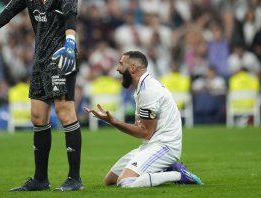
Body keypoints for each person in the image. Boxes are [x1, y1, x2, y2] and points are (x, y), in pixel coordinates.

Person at [0, 0, 83, 192]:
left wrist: (70, 43)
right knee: (37, 117)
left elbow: (71, 16)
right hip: (40, 59)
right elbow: (5, 15)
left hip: (62, 56)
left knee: (64, 112)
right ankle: (40, 180)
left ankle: (74, 178)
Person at [85, 51, 202, 188]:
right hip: (151, 145)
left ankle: (178, 174)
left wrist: (114, 122)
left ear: (133, 68)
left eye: (121, 64)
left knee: (125, 182)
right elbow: (139, 127)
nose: (117, 69)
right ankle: (163, 169)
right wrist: (112, 121)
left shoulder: (148, 91)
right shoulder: (141, 88)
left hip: (165, 147)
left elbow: (146, 132)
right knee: (110, 180)